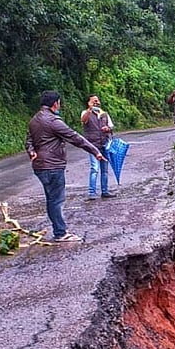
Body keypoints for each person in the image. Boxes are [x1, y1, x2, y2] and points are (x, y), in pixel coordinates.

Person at [25, 90, 106, 243]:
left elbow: (29, 140)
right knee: (56, 200)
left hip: (39, 166)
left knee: (51, 199)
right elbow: (74, 137)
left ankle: (59, 230)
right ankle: (60, 233)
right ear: (55, 104)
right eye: (59, 103)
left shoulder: (34, 120)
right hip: (52, 165)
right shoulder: (54, 121)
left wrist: (31, 151)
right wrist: (95, 151)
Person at [80, 95, 116, 200]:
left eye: (97, 100)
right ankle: (92, 192)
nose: (96, 102)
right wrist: (90, 109)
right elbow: (83, 120)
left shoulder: (104, 114)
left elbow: (111, 127)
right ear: (89, 102)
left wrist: (108, 129)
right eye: (94, 101)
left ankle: (105, 191)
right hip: (92, 146)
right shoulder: (85, 112)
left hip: (105, 144)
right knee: (94, 168)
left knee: (105, 170)